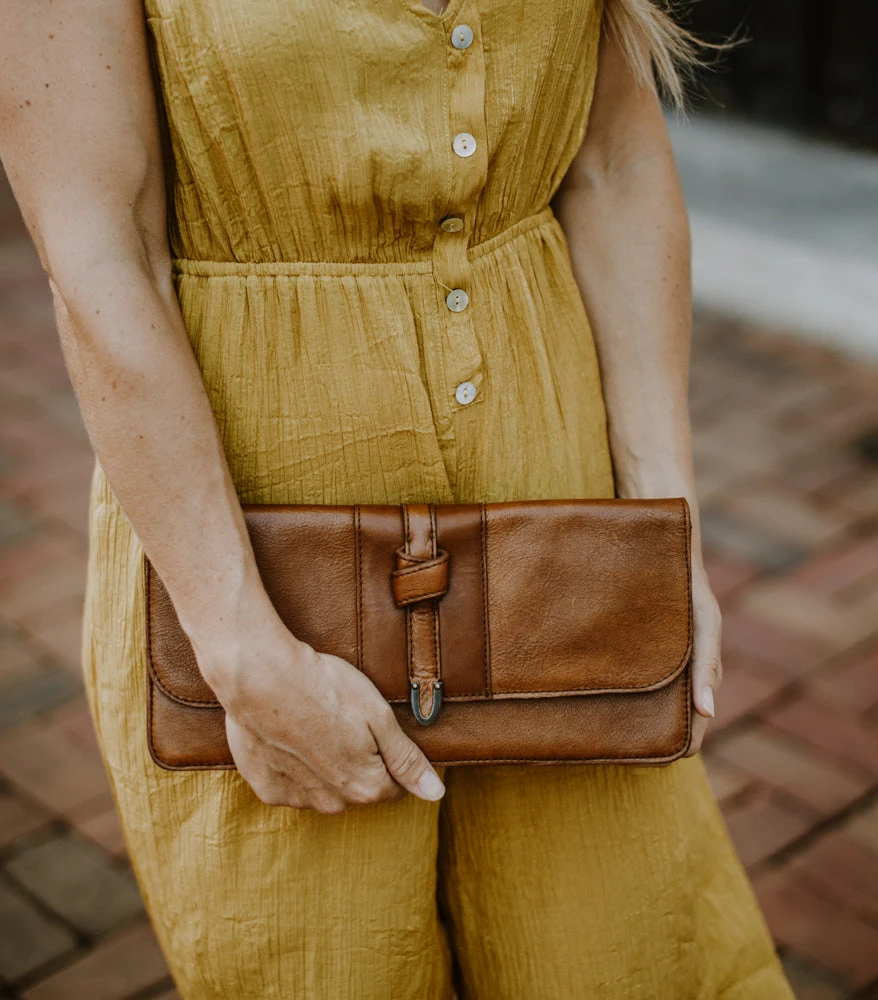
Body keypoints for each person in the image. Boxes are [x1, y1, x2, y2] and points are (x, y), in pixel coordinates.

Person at [0, 0, 795, 996]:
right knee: (330, 965)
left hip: (553, 495)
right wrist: (237, 642)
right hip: (261, 549)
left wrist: (662, 523)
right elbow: (101, 251)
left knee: (619, 954)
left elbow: (613, 163)